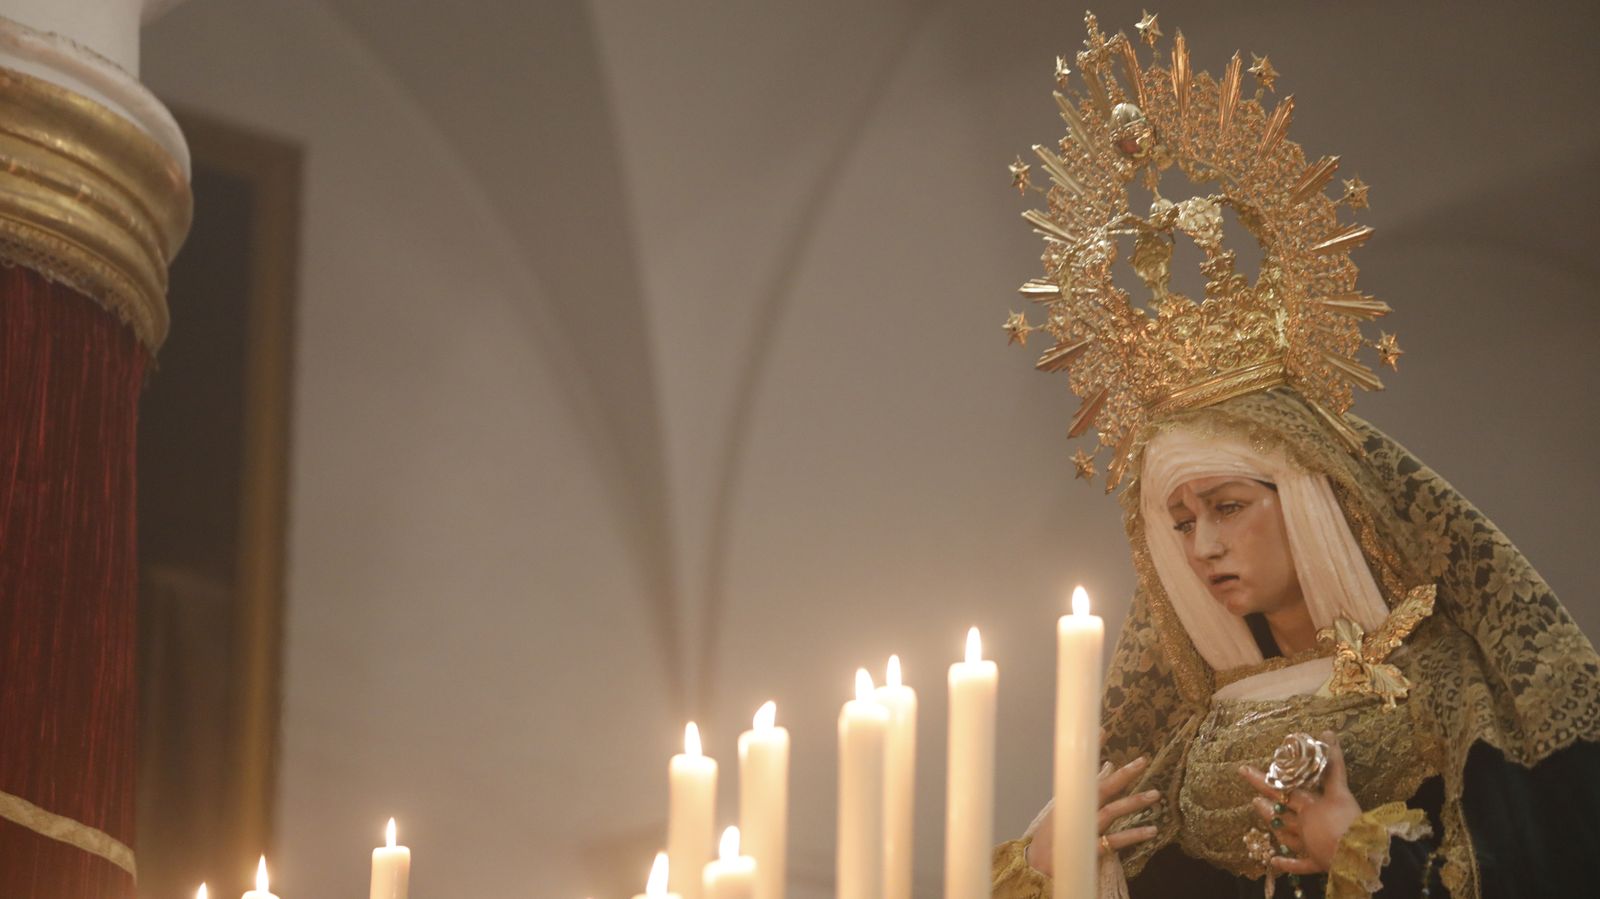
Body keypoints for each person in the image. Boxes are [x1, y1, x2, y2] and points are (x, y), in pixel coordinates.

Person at [989, 389, 1600, 898]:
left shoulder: (1450, 696)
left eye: (1228, 507)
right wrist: (1049, 873)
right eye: (1182, 523)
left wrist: (1360, 855)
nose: (1203, 548)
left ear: (1310, 501)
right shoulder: (1181, 749)